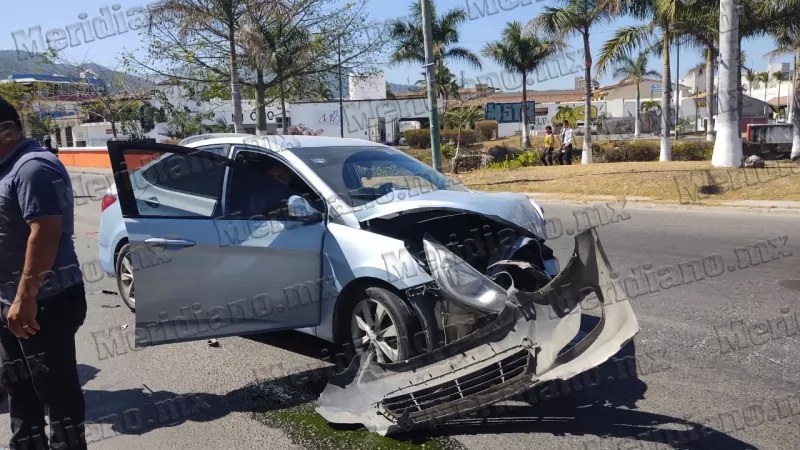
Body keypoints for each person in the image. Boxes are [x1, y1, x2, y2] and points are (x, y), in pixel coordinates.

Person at [0, 97, 87, 449]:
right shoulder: (7, 166)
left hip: (44, 302)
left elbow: (45, 233)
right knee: (20, 388)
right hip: (11, 301)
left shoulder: (34, 167)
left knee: (57, 393)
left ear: (6, 131)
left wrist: (26, 297)